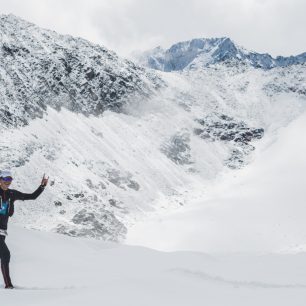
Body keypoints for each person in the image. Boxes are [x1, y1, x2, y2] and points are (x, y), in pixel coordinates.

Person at [0, 170, 48, 289]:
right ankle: (8, 285)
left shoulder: (12, 194)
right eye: (6, 179)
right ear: (0, 179)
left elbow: (32, 196)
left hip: (2, 230)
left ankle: (8, 284)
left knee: (3, 254)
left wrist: (42, 186)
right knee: (5, 254)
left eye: (10, 179)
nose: (8, 182)